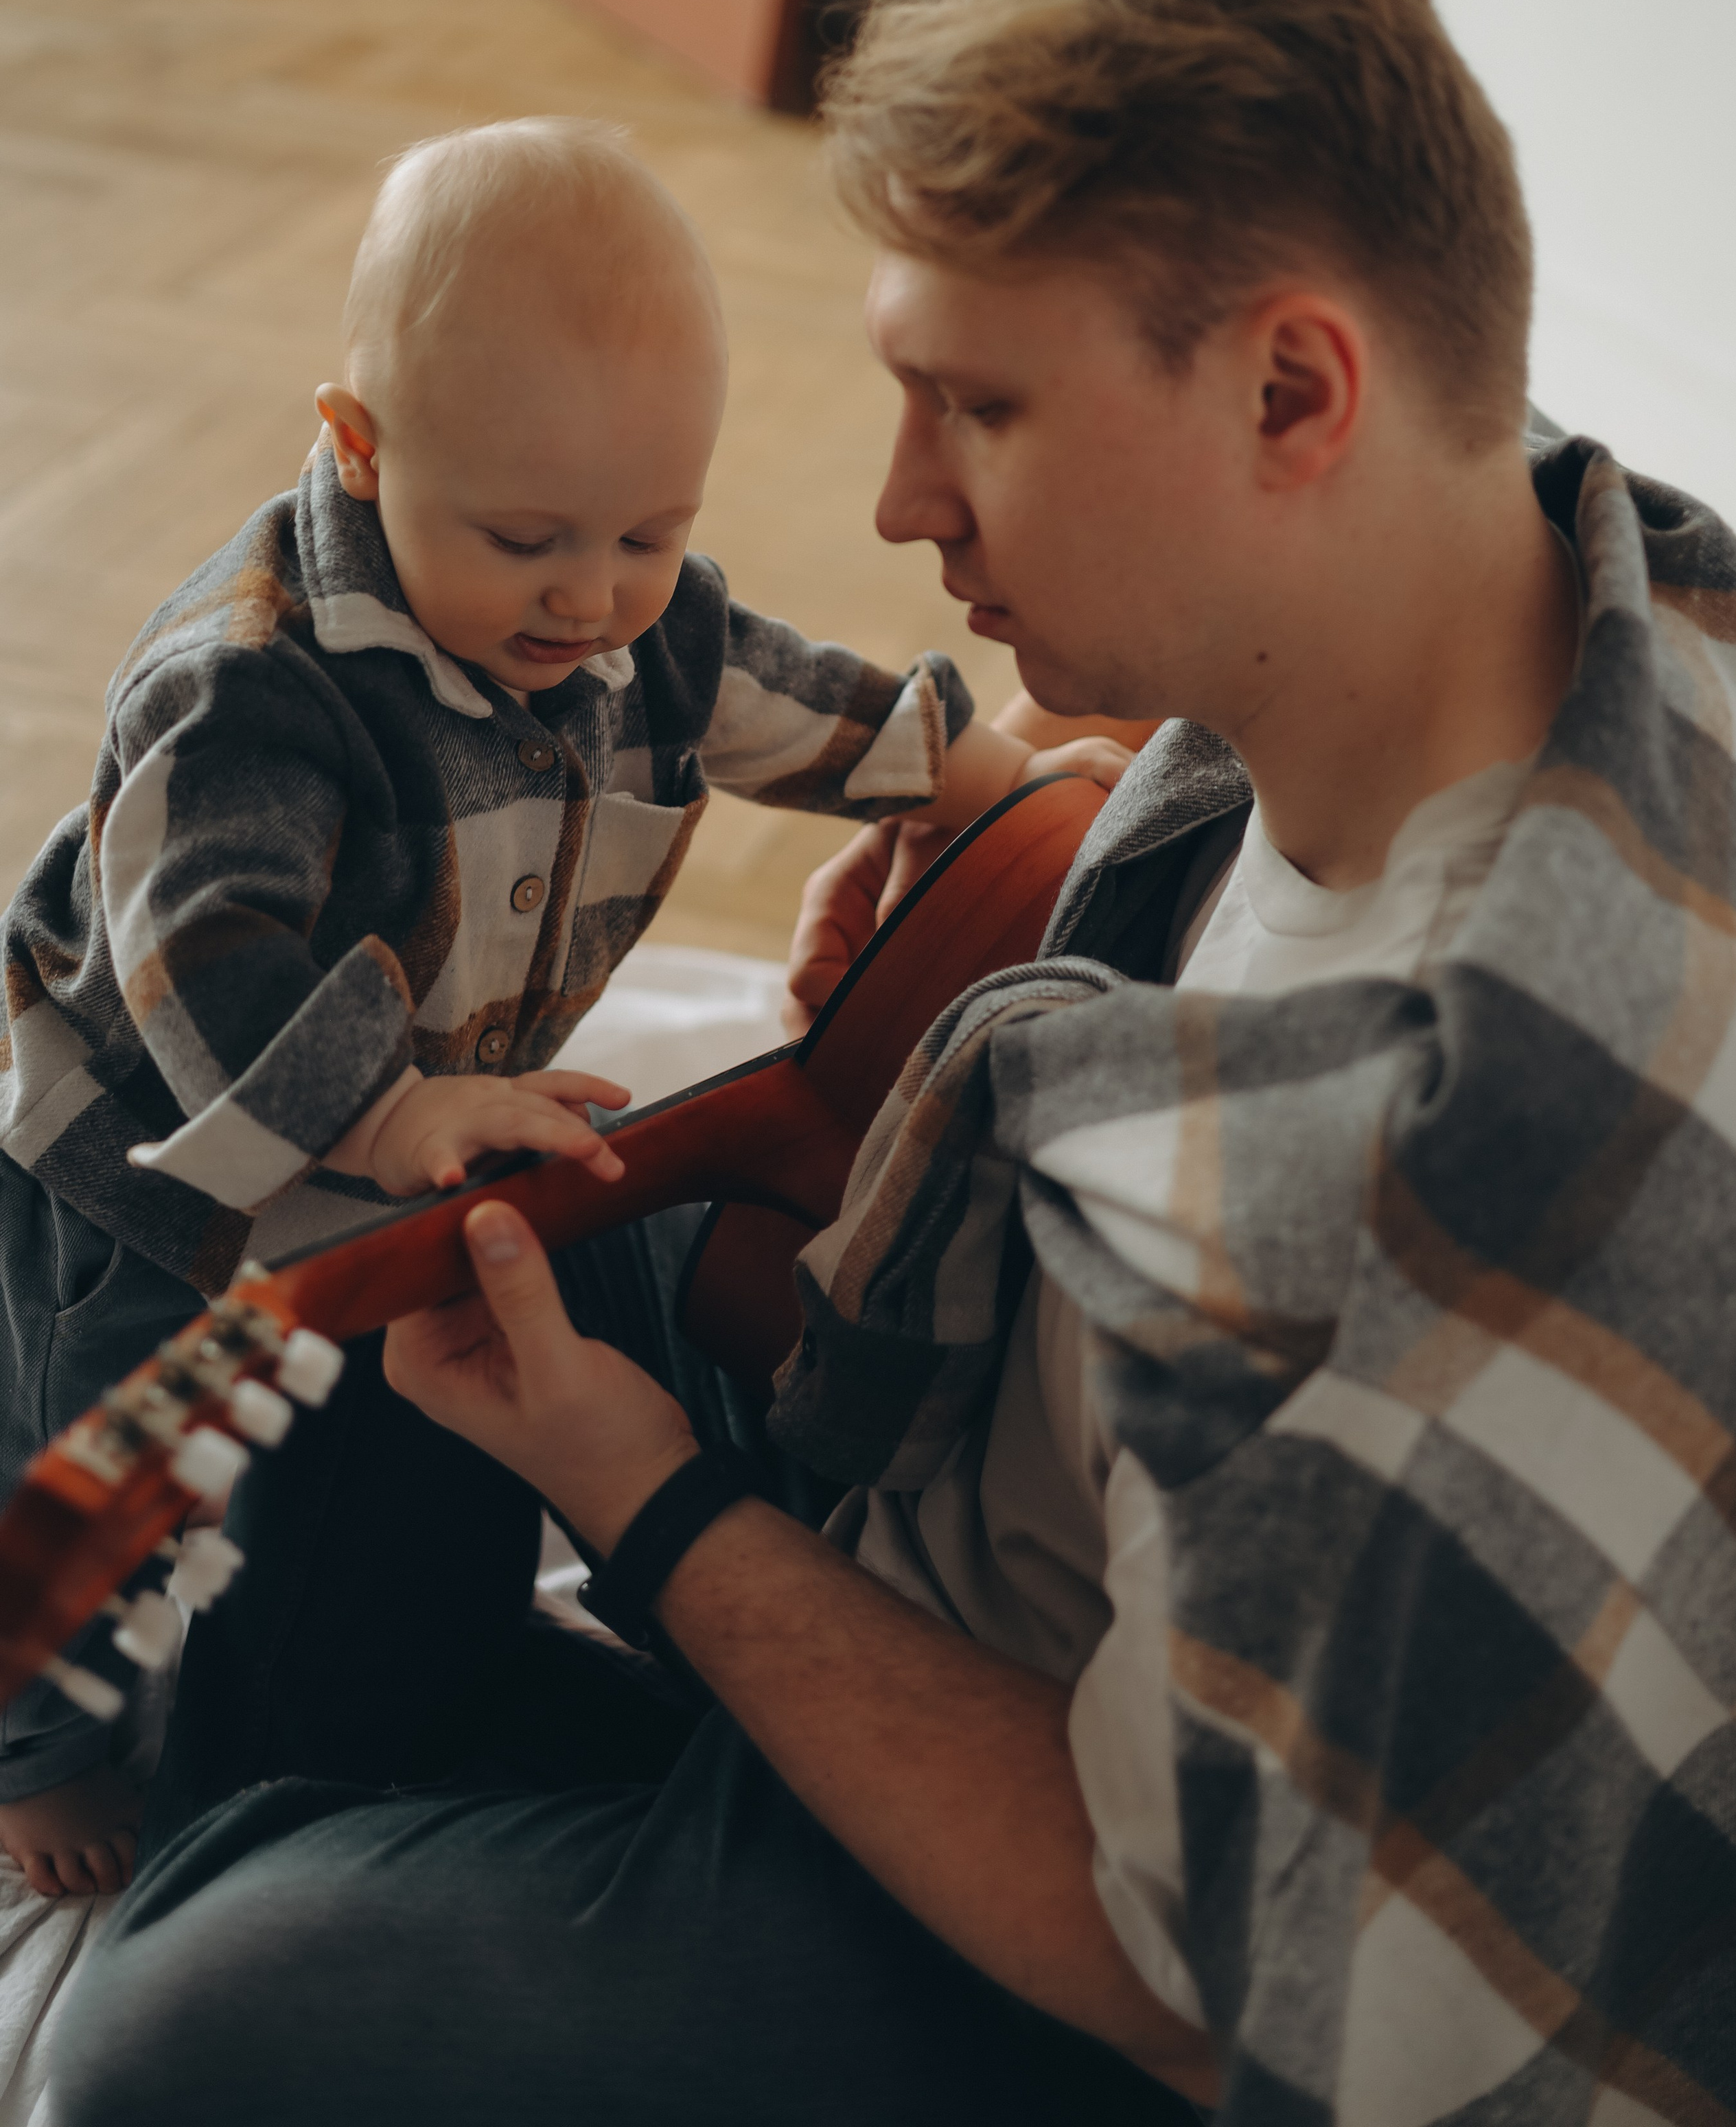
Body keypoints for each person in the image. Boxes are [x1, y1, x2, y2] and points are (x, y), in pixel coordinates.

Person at [58, 0, 1736, 2125]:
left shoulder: (1470, 1204)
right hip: (978, 1472)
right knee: (356, 1259)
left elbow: (1179, 1967)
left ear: (1291, 387)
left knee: (178, 2029)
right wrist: (1027, 928)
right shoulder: (1578, 582)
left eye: (977, 411)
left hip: (1078, 1928)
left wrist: (651, 1505)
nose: (889, 505)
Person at [0, 117, 1123, 1902]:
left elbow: (782, 699)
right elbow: (196, 958)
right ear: (357, 450)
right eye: (529, 539)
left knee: (321, 1431)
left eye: (651, 532)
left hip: (404, 1125)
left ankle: (327, 1638)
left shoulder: (625, 618)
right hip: (150, 1157)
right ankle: (34, 1743)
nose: (594, 598)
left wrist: (977, 772)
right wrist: (382, 1117)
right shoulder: (253, 692)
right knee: (108, 1460)